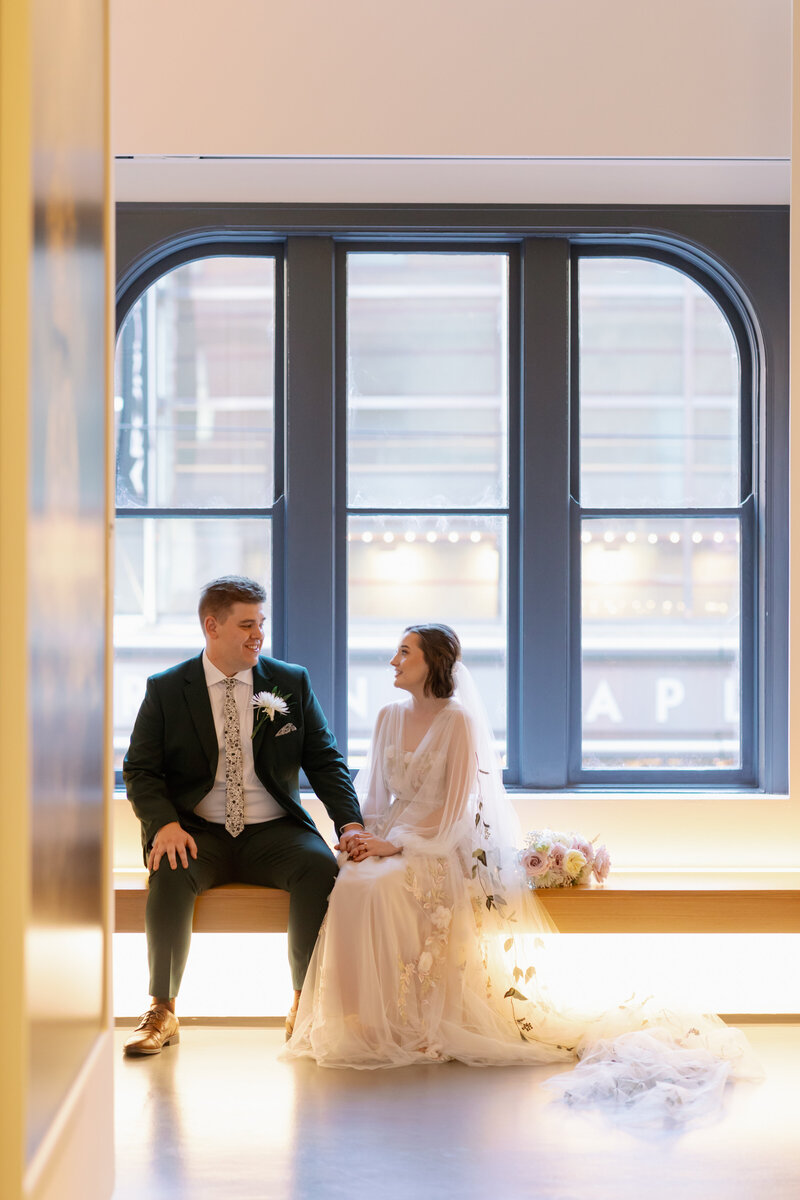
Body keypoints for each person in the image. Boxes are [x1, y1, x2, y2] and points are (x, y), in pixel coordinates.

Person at [284, 624, 759, 1124]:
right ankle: (361, 1023)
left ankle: (411, 1021)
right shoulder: (386, 717)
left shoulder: (458, 722)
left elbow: (453, 811)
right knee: (354, 883)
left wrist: (397, 844)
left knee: (380, 887)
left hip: (437, 845)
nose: (392, 661)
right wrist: (365, 838)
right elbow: (375, 796)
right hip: (392, 835)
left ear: (433, 662)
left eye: (404, 652)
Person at [122, 575, 365, 1056]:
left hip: (274, 833)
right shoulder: (167, 689)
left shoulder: (290, 682)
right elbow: (140, 769)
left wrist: (349, 824)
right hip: (197, 833)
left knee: (320, 867)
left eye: (262, 623)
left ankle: (303, 1004)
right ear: (212, 626)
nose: (258, 635)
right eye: (246, 624)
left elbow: (324, 759)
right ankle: (162, 1011)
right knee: (167, 868)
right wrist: (163, 825)